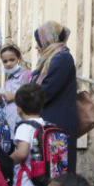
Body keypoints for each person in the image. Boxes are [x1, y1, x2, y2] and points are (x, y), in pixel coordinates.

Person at [32, 21, 78, 173]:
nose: (37, 46)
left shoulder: (61, 58)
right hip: (50, 125)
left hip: (58, 127)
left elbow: (47, 90)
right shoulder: (49, 59)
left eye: (39, 41)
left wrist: (27, 99)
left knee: (59, 175)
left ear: (48, 40)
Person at [0, 43, 30, 127]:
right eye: (5, 61)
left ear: (19, 58)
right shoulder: (7, 82)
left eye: (12, 60)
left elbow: (33, 97)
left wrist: (15, 96)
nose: (8, 64)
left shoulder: (26, 75)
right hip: (10, 125)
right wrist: (0, 100)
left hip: (23, 123)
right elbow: (5, 106)